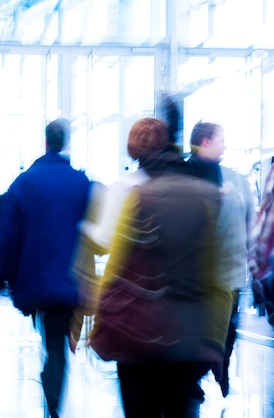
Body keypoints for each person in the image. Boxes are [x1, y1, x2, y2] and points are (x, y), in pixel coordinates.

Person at [95, 118, 232, 418]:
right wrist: (217, 342)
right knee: (182, 407)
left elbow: (115, 264)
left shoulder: (130, 191)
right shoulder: (203, 194)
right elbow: (217, 275)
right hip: (188, 334)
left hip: (137, 332)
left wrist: (99, 318)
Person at [0, 118, 91, 418]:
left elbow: (7, 235)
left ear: (45, 142)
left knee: (51, 342)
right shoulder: (81, 182)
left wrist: (0, 277)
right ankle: (53, 404)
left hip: (35, 279)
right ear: (65, 143)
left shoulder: (25, 182)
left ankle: (52, 404)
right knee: (57, 345)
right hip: (70, 280)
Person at [187, 121, 254, 397]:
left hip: (228, 271)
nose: (224, 145)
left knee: (227, 329)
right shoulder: (185, 175)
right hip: (195, 274)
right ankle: (196, 374)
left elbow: (248, 221)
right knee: (200, 329)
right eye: (220, 139)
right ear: (205, 142)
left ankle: (218, 367)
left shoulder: (234, 181)